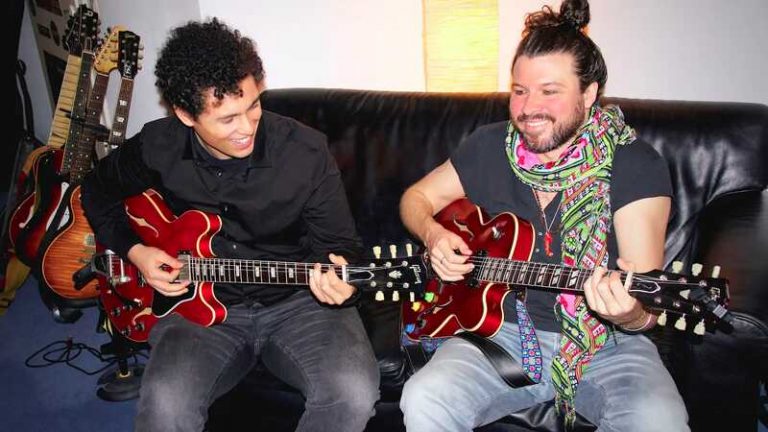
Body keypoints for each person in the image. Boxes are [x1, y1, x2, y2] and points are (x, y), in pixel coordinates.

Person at [398, 1, 688, 431]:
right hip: (499, 331)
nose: (528, 108)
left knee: (658, 420)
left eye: (549, 91)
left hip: (606, 343)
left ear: (588, 94)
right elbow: (416, 197)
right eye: (519, 90)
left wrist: (627, 313)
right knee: (425, 396)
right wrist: (433, 234)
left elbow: (645, 304)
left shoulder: (635, 165)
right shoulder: (489, 145)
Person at [81, 19, 379, 432]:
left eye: (253, 106)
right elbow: (96, 191)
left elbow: (342, 245)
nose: (247, 127)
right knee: (165, 408)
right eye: (227, 119)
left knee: (353, 393)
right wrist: (138, 252)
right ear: (185, 114)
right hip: (194, 307)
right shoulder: (159, 144)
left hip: (299, 302)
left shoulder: (305, 152)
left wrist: (344, 280)